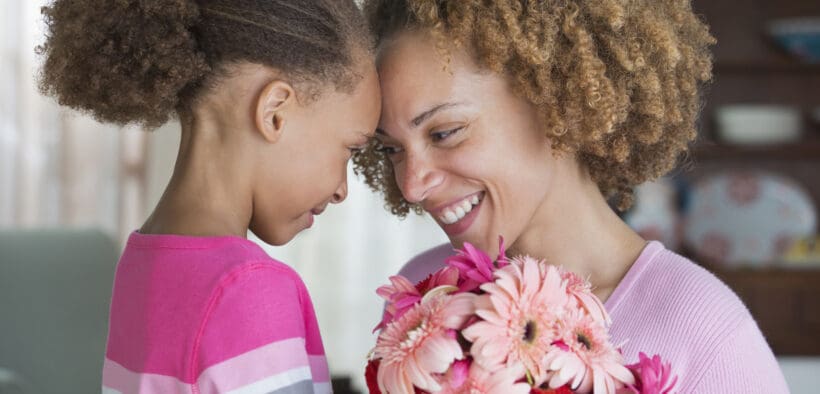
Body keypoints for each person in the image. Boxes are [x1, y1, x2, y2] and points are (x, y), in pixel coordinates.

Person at [353, 0, 789, 392]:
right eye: (392, 149)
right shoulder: (426, 295)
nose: (412, 186)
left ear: (554, 101)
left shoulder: (706, 333)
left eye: (445, 133)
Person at [37, 0, 380, 392]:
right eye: (350, 150)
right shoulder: (250, 289)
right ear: (275, 112)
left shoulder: (140, 262)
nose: (342, 189)